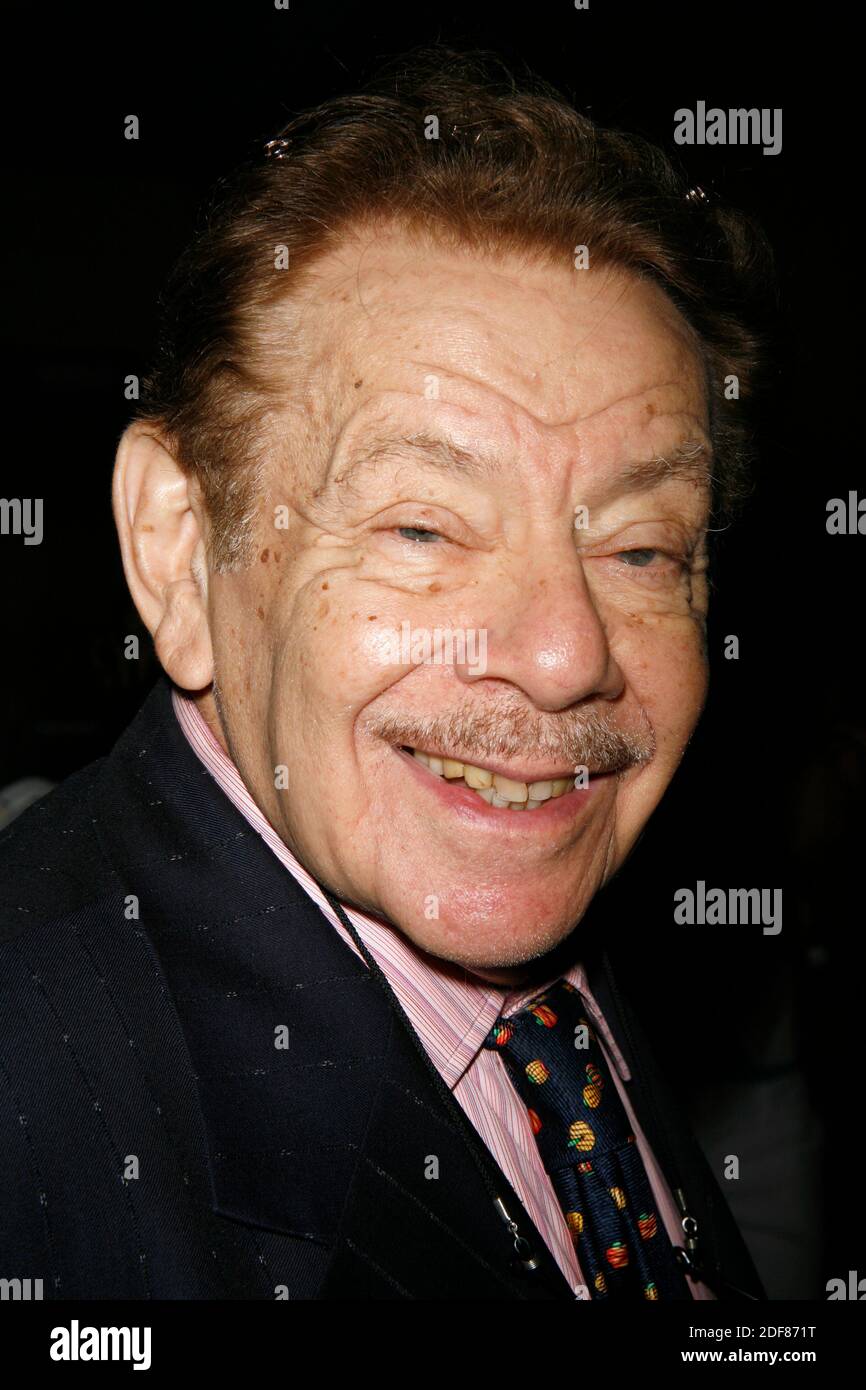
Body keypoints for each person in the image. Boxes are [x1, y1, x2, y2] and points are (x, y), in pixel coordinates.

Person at [0, 48, 772, 1300]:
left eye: (640, 548)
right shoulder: (40, 1113)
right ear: (179, 551)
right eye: (422, 529)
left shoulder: (503, 908)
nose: (565, 655)